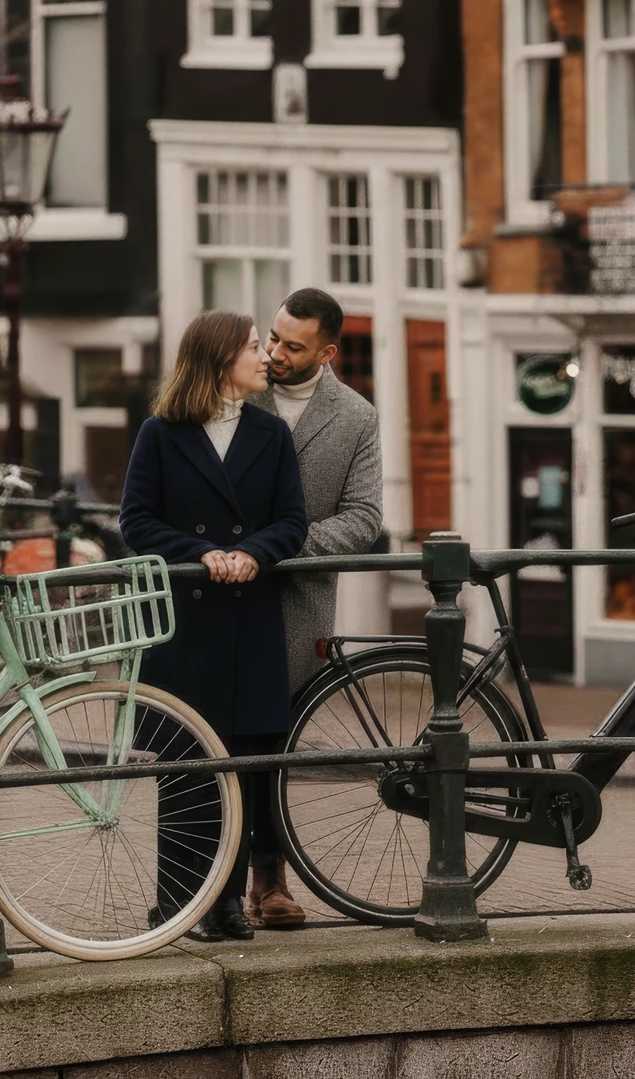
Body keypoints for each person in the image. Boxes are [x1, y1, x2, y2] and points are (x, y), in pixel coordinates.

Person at [119, 308, 308, 940]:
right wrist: (203, 554)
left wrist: (252, 553)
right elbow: (137, 521)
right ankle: (179, 907)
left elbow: (292, 521)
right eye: (254, 347)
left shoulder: (271, 432)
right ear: (220, 359)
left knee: (248, 766)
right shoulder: (161, 432)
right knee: (188, 769)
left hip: (251, 618)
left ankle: (227, 903)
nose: (266, 357)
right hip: (190, 623)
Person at [245, 286, 384, 928]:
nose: (274, 352)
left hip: (296, 600)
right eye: (273, 337)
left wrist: (283, 545)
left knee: (275, 742)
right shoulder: (239, 389)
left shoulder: (357, 418)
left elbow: (364, 519)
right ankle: (211, 886)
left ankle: (269, 882)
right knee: (217, 739)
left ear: (326, 352)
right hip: (222, 587)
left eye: (292, 346)